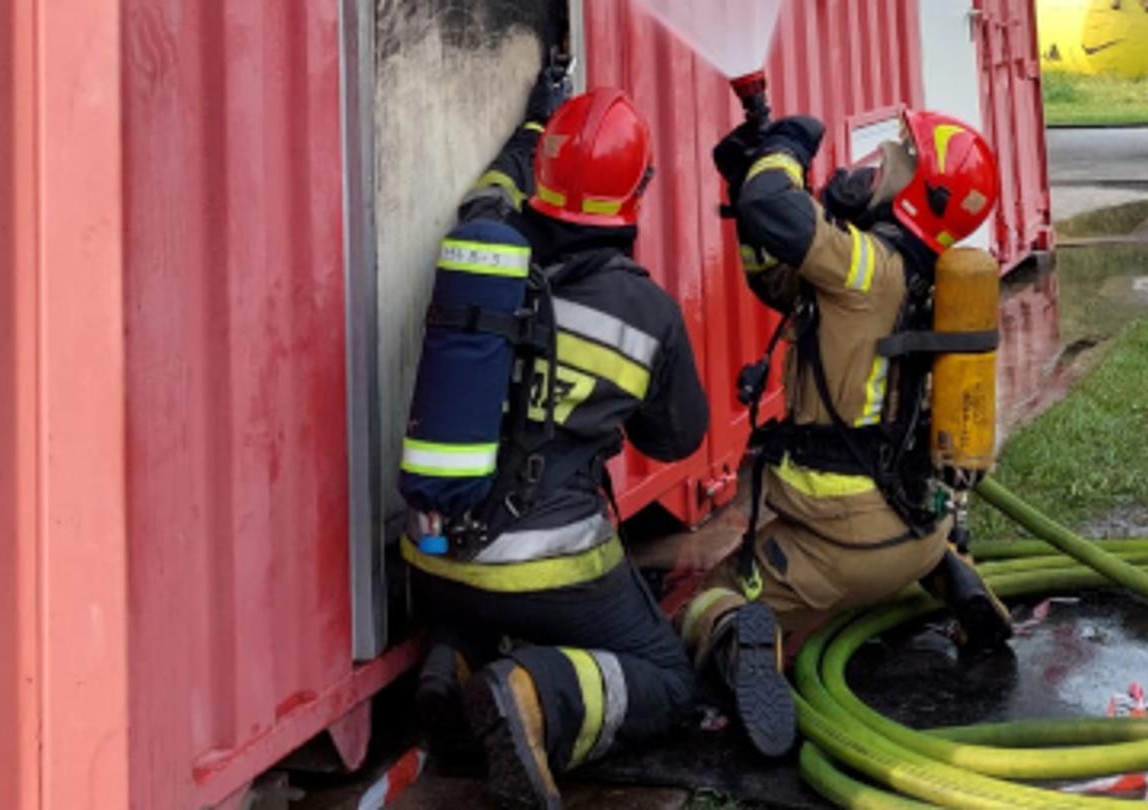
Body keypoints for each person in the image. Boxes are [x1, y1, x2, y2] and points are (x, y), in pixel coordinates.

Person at [403, 66, 708, 810]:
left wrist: (535, 123)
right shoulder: (646, 313)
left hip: (434, 559)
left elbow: (493, 187)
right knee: (668, 678)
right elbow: (678, 440)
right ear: (636, 193)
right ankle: (535, 693)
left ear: (541, 174)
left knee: (482, 614)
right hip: (548, 573)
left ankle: (457, 662)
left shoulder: (486, 241)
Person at [676, 108, 1015, 757]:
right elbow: (775, 275)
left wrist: (777, 155)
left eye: (898, 156)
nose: (878, 156)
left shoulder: (866, 268)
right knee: (903, 530)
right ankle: (953, 576)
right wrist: (743, 181)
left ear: (922, 194)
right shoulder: (913, 275)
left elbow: (776, 207)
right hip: (917, 525)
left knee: (707, 598)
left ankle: (746, 646)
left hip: (837, 545)